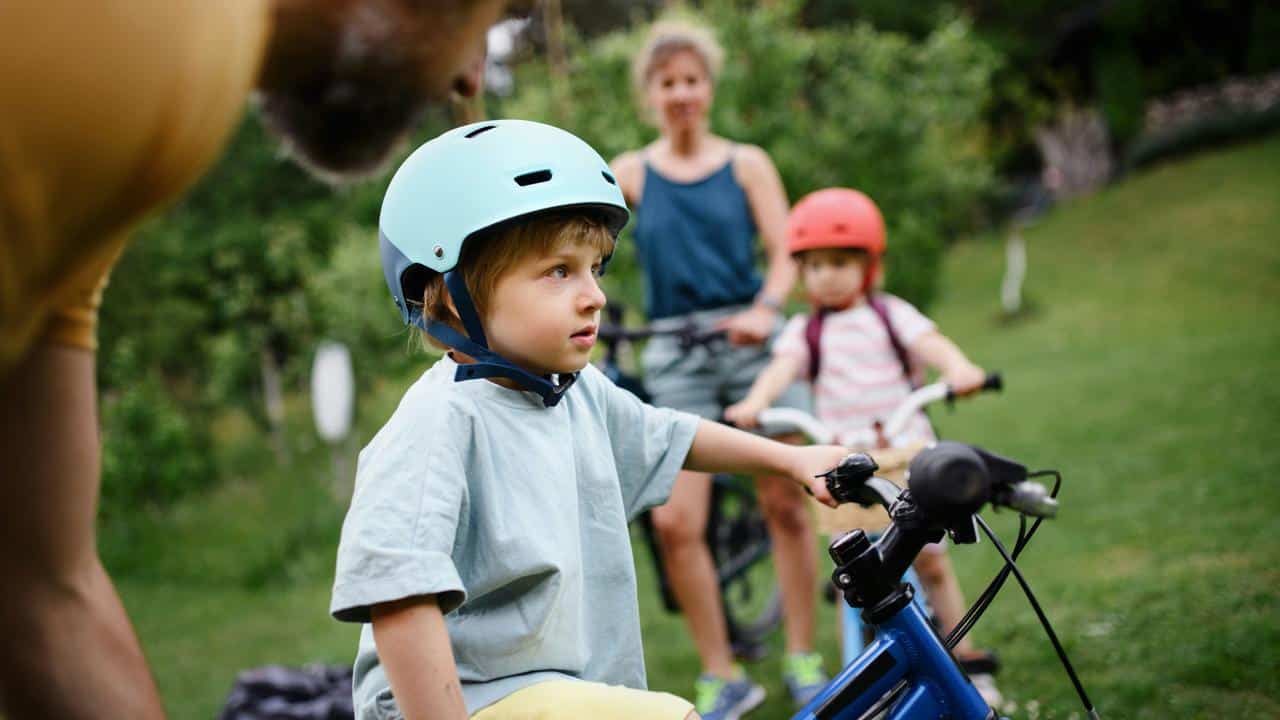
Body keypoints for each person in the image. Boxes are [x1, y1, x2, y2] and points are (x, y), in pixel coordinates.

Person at [0, 2, 535, 717]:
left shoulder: (125, 135)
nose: (468, 77)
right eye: (485, 20)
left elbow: (43, 592)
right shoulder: (148, 50)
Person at [332, 119, 848, 720]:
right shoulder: (437, 425)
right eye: (559, 272)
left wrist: (790, 460)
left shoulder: (577, 393)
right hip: (462, 702)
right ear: (449, 297)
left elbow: (672, 435)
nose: (594, 295)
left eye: (594, 268)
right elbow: (398, 598)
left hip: (565, 690)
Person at [608, 20, 823, 717]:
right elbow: (585, 238)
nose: (681, 93)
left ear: (709, 87)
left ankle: (802, 655)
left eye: (691, 79)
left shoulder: (748, 163)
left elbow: (788, 251)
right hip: (675, 352)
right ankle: (720, 673)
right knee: (674, 525)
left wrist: (766, 306)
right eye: (667, 82)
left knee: (787, 500)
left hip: (753, 344)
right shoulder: (631, 173)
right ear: (651, 94)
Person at [724, 187, 1003, 702]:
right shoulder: (804, 331)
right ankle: (865, 676)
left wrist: (958, 367)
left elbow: (931, 343)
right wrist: (754, 402)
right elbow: (781, 369)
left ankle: (963, 653)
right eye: (813, 266)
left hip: (905, 453)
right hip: (846, 467)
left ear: (868, 266)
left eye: (839, 263)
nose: (825, 275)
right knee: (855, 576)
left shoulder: (888, 314)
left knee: (931, 559)